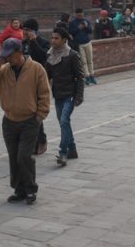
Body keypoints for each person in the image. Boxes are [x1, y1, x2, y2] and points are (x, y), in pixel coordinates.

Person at [0, 38, 51, 205]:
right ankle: (19, 189)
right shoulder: (4, 69)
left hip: (29, 120)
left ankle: (30, 189)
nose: (7, 58)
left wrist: (40, 116)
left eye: (10, 55)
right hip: (10, 121)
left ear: (19, 52)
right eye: (4, 55)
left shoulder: (36, 69)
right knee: (13, 157)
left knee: (24, 156)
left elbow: (44, 94)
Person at [46, 26, 85, 167]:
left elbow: (80, 77)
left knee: (63, 121)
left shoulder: (72, 55)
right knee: (64, 123)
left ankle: (63, 153)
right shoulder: (50, 55)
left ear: (64, 40)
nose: (53, 40)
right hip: (58, 95)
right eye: (52, 37)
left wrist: (79, 96)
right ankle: (72, 149)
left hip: (70, 94)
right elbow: (46, 76)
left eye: (56, 38)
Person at [21, 19, 50, 153]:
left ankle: (41, 140)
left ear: (34, 31)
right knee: (27, 112)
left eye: (27, 29)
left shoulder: (43, 42)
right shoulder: (23, 44)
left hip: (39, 82)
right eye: (24, 29)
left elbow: (43, 57)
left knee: (36, 112)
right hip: (24, 82)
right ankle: (32, 142)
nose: (24, 32)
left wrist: (34, 41)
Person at [69, 9, 96, 85]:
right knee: (83, 62)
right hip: (79, 44)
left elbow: (90, 31)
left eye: (81, 15)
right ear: (76, 15)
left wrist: (86, 27)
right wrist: (78, 28)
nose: (80, 16)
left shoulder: (86, 21)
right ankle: (87, 76)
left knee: (90, 60)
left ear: (83, 14)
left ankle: (92, 76)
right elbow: (71, 32)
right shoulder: (73, 23)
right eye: (78, 15)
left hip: (87, 42)